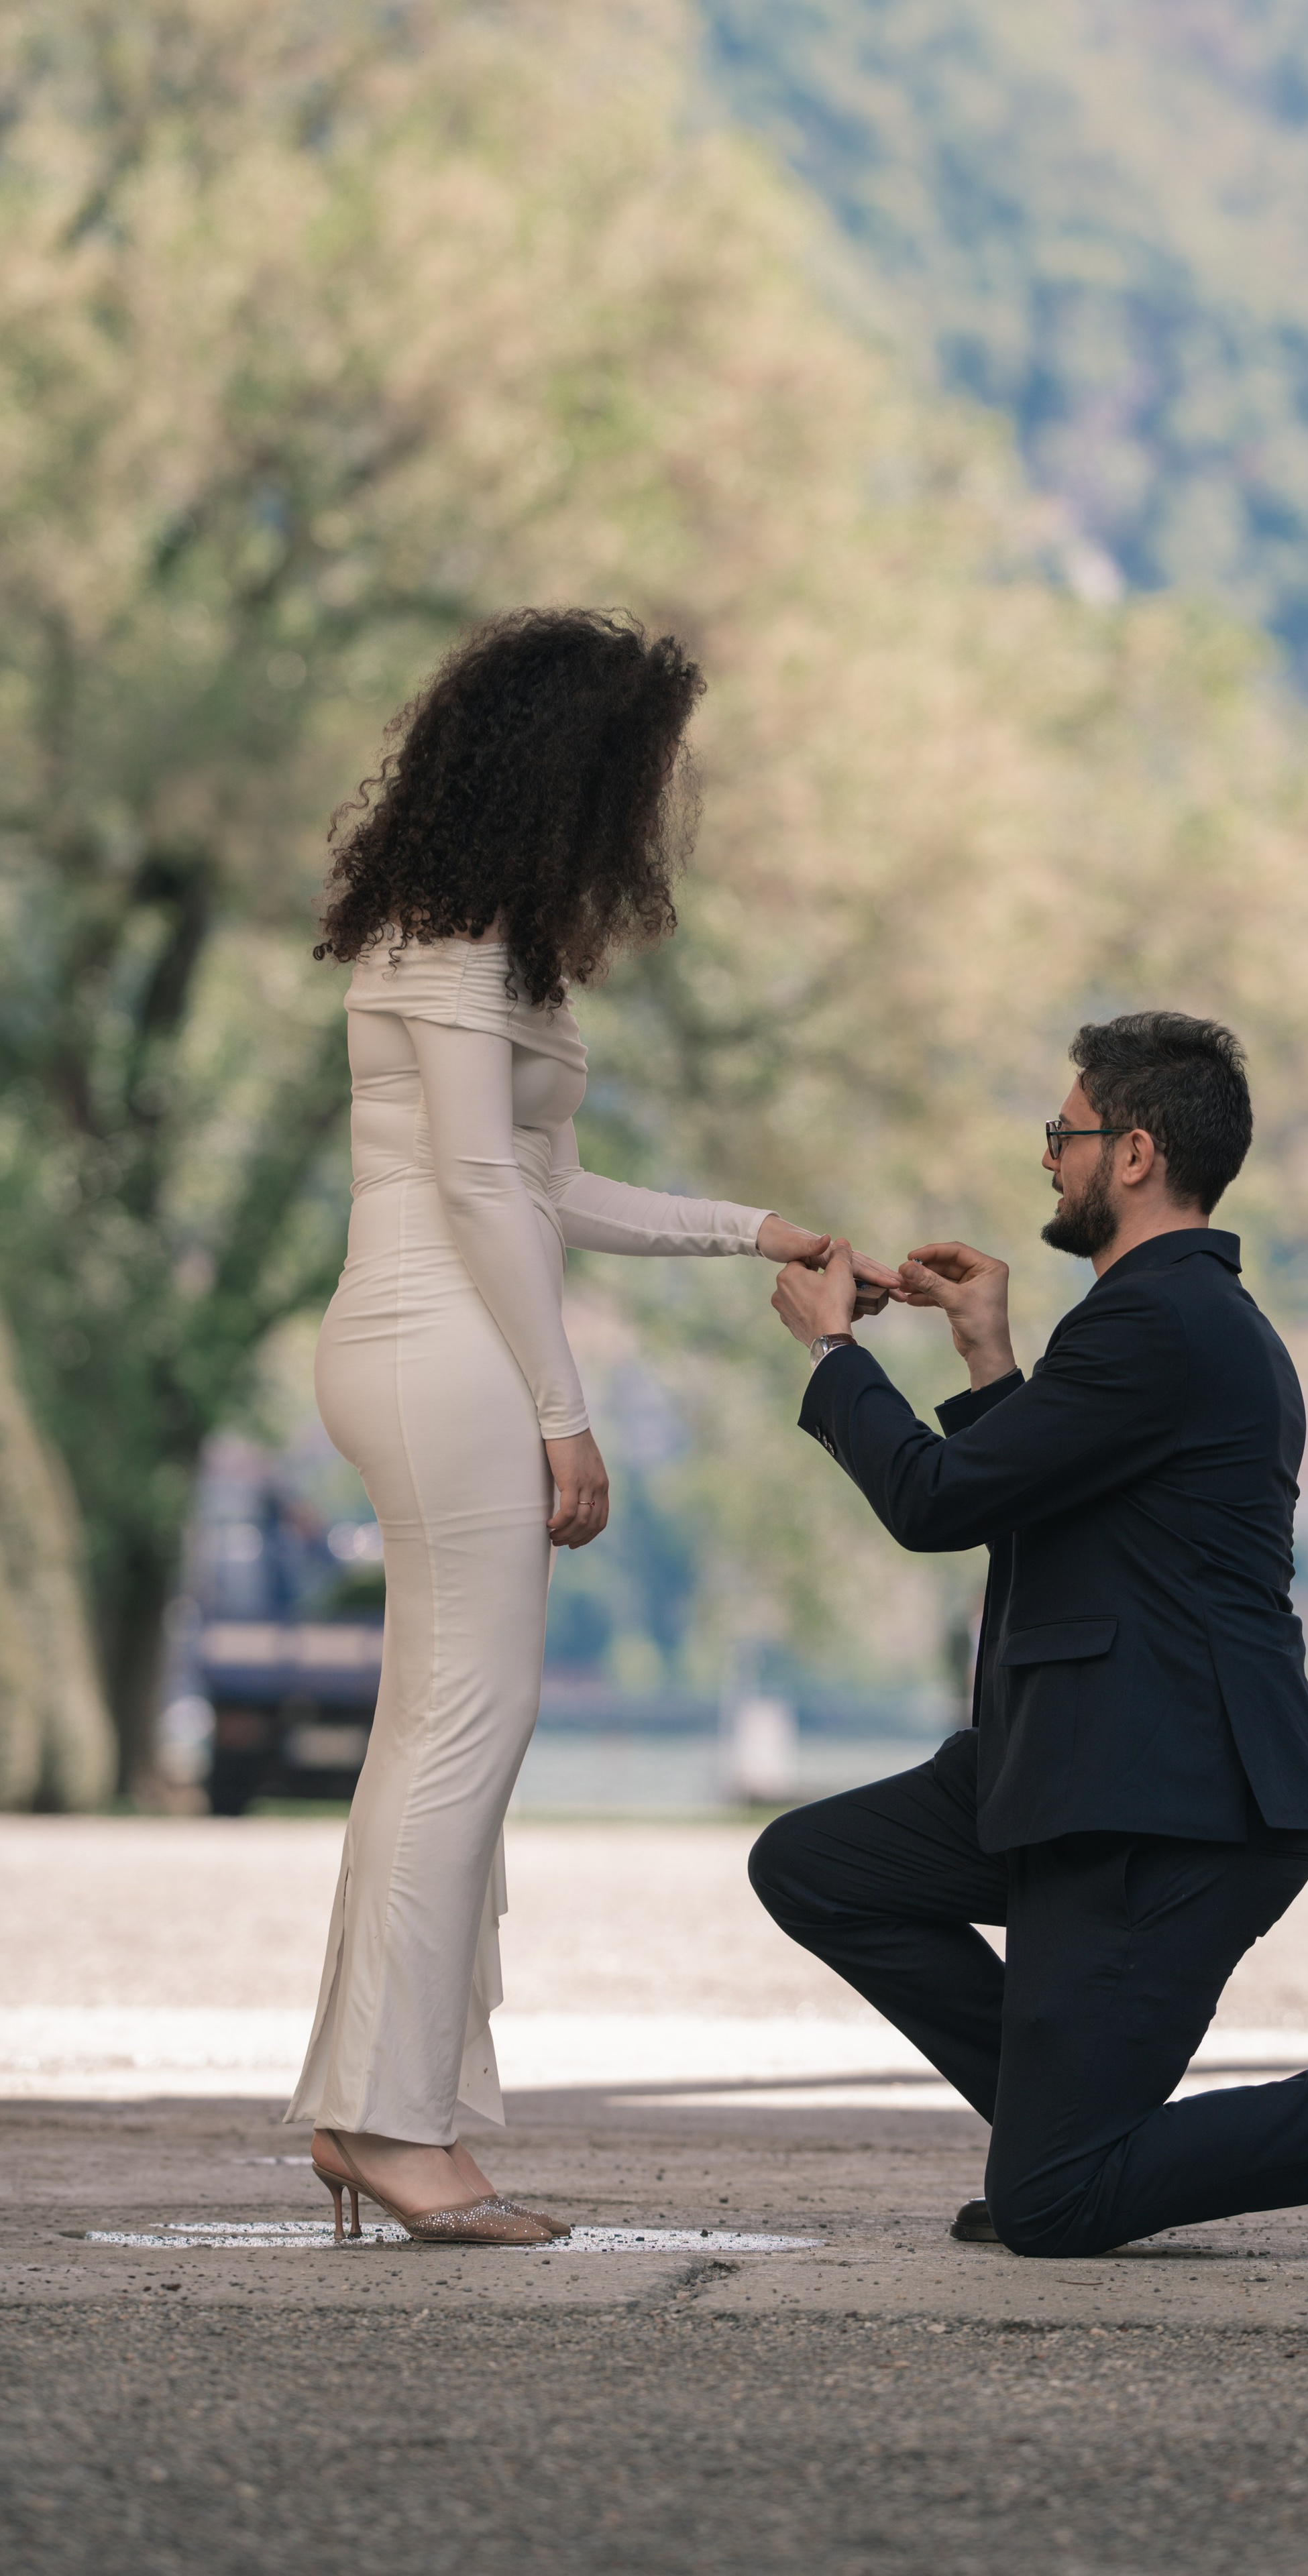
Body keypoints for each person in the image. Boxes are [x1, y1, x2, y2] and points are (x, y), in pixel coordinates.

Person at [753, 1010, 1308, 2265]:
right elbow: (1057, 1512)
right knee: (820, 1867)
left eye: (1062, 1132)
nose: (1048, 1160)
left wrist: (833, 1352)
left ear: (1132, 1153)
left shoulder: (1158, 1323)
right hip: (1073, 1764)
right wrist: (984, 1360)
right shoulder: (1170, 1323)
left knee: (1054, 2205)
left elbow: (935, 1504)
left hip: (1161, 1804)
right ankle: (1064, 2126)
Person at [286, 608, 894, 2245]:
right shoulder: (447, 941)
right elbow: (484, 1190)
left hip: (446, 1336)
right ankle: (384, 2121)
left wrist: (763, 1231)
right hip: (441, 1344)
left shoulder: (477, 935)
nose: (648, 811)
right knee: (461, 1731)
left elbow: (550, 1184)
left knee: (440, 1732)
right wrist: (566, 1415)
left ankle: (372, 2107)